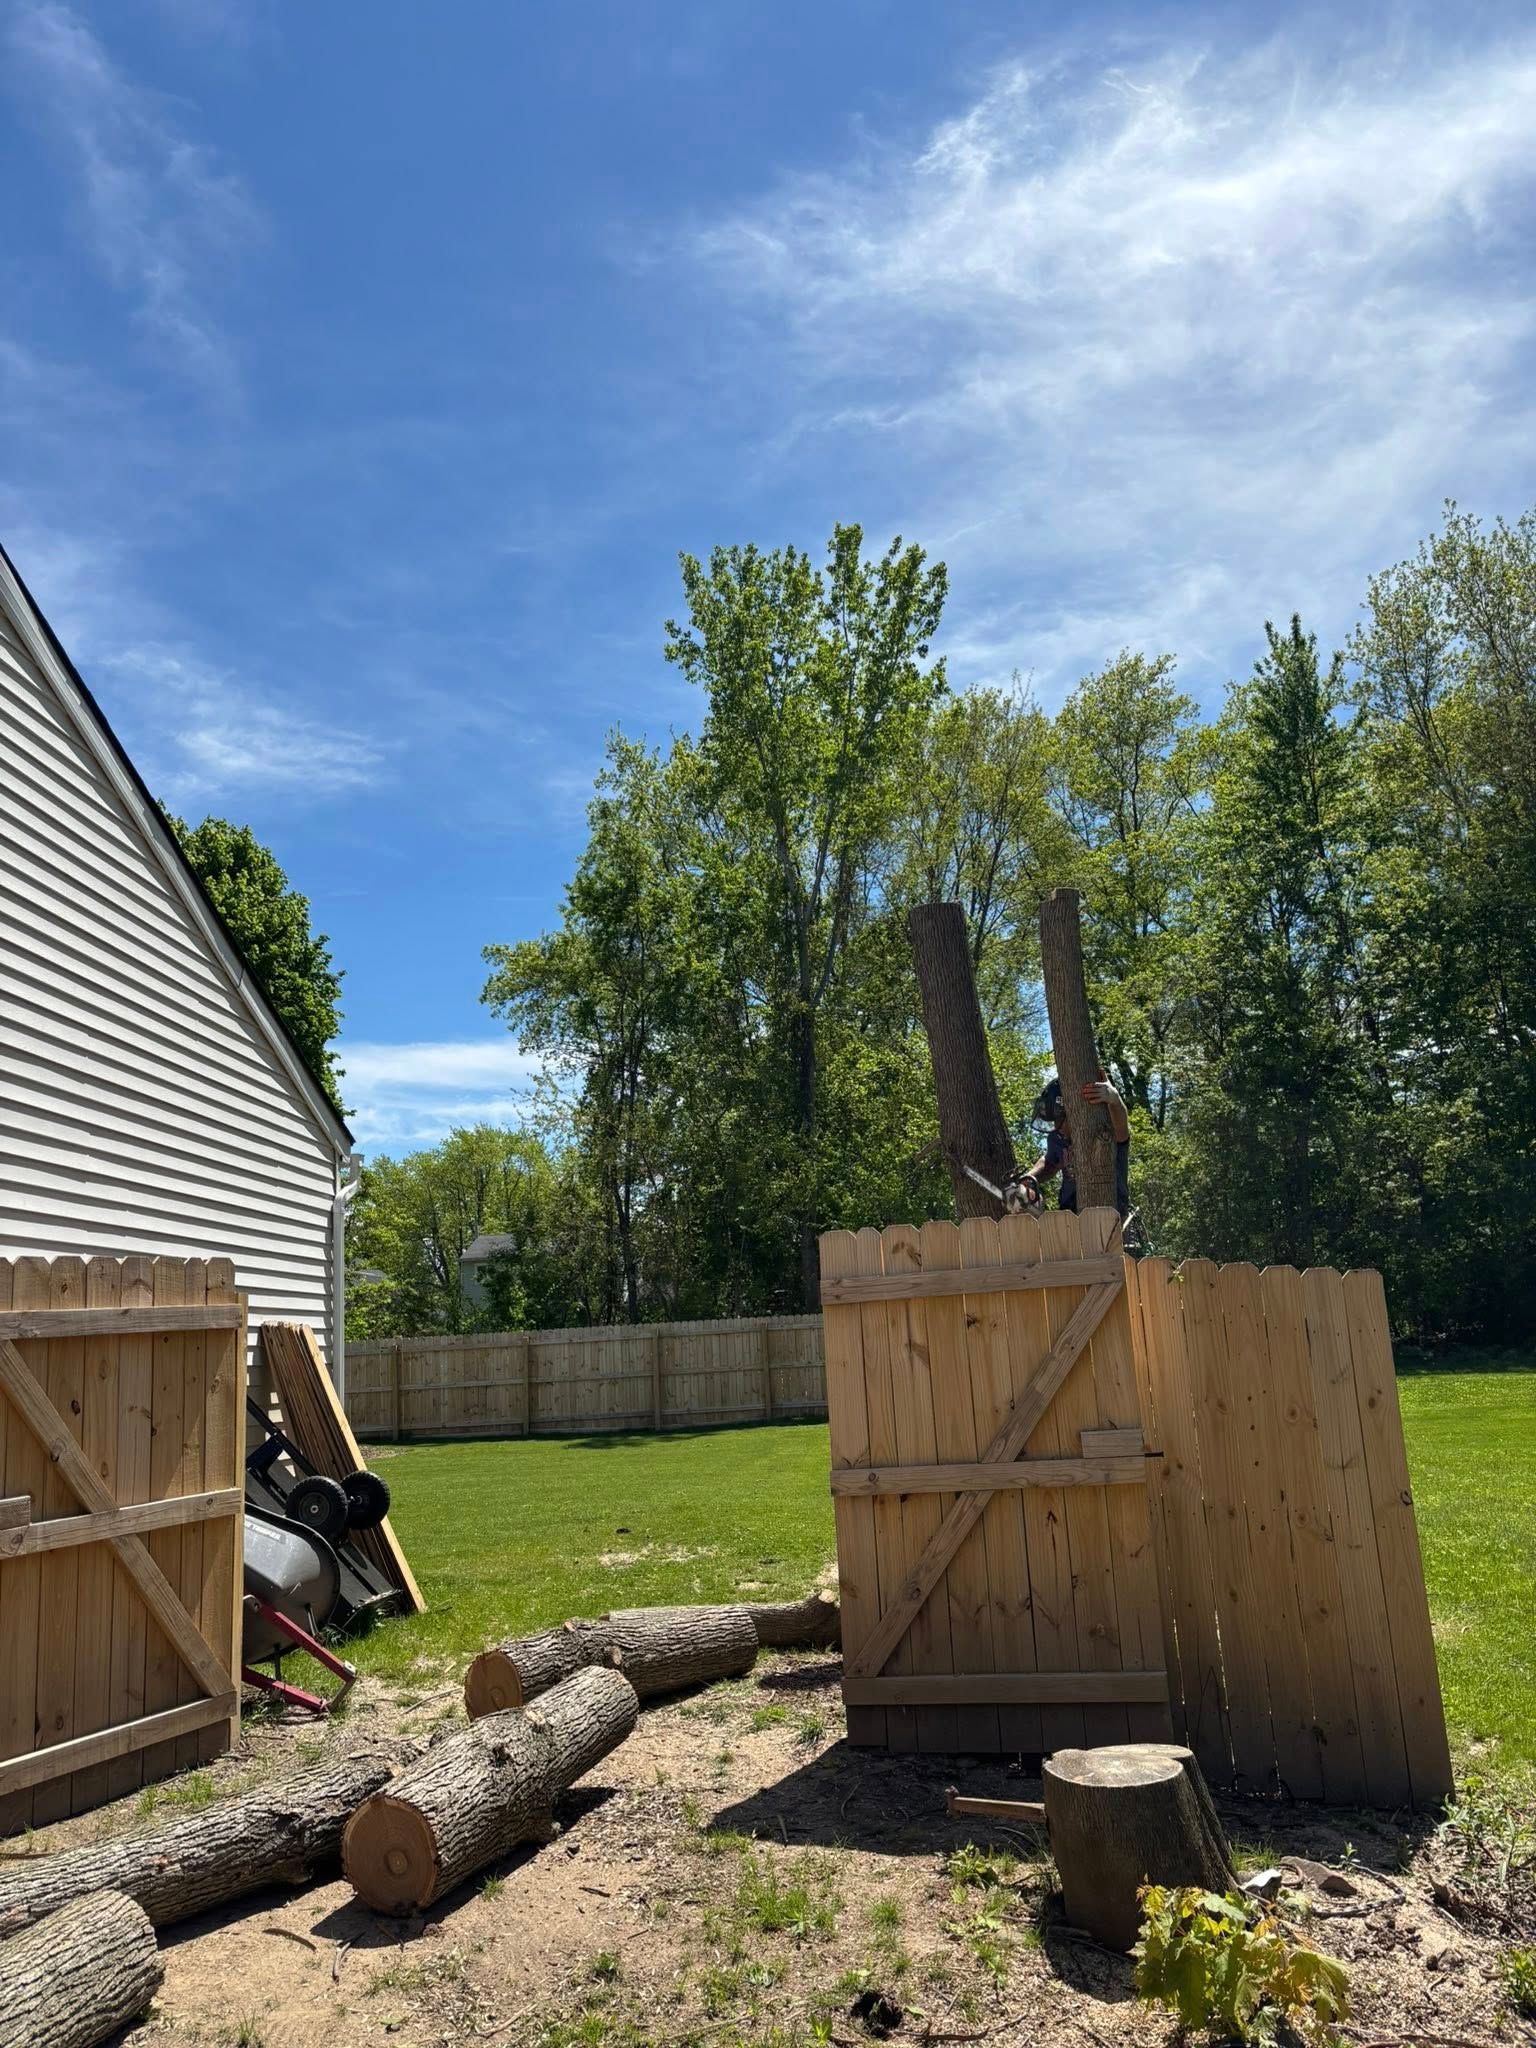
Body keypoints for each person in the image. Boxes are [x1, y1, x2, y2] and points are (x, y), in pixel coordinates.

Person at [1022, 1072, 1131, 1218]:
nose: (1056, 1126)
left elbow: (1122, 1130)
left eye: (1059, 1120)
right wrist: (1028, 1179)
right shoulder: (1057, 1138)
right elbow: (1049, 1163)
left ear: (1072, 1113)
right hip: (1071, 1216)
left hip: (1113, 1216)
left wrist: (1115, 1100)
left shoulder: (1107, 1131)